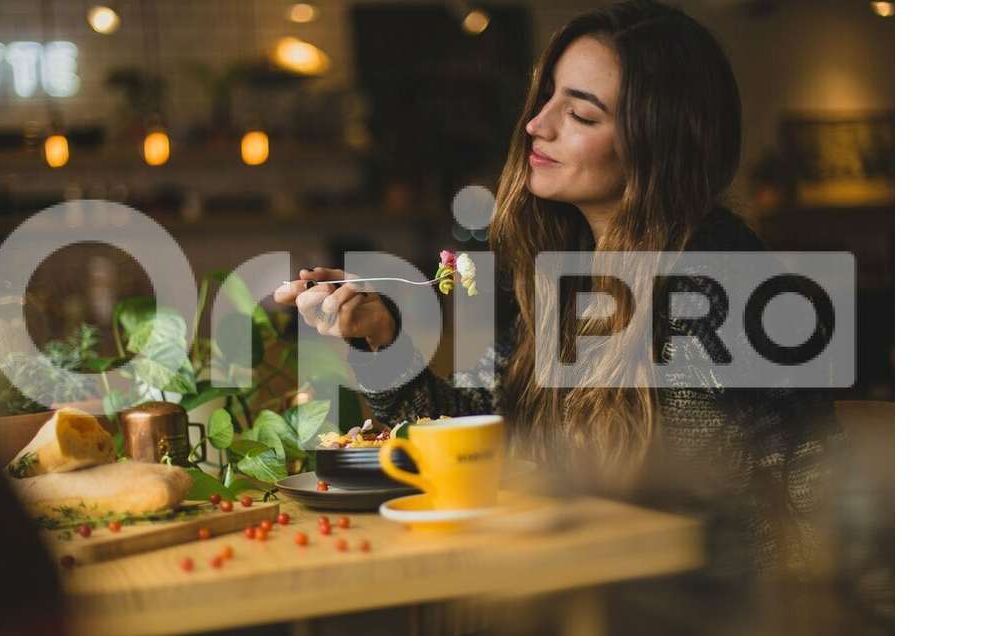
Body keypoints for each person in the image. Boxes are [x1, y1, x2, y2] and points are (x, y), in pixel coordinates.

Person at [273, 0, 841, 582]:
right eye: (547, 98)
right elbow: (475, 431)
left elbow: (797, 516)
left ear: (659, 144)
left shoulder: (721, 289)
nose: (536, 125)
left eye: (583, 116)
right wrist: (382, 336)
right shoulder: (573, 276)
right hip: (584, 588)